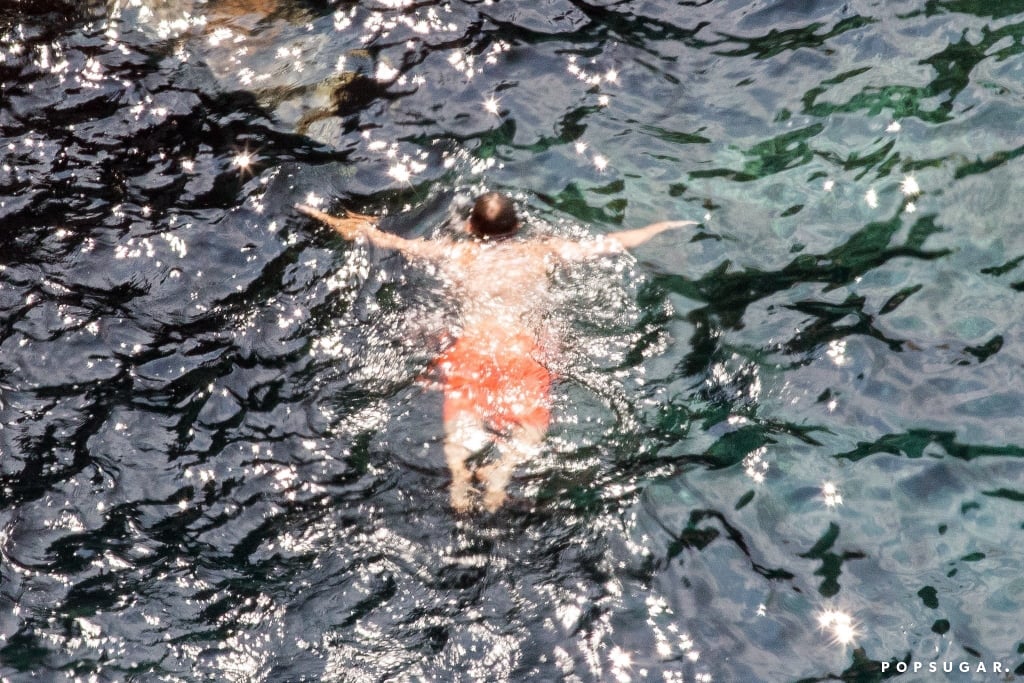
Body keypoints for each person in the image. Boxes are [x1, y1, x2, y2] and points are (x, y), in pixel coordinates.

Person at [297, 193, 695, 512]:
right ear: (518, 226)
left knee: (462, 410)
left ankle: (457, 477)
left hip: (472, 343)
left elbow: (387, 240)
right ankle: (501, 473)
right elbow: (609, 244)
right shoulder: (540, 252)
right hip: (522, 347)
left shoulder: (458, 253)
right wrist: (661, 225)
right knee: (531, 425)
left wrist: (330, 218)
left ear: (470, 227)